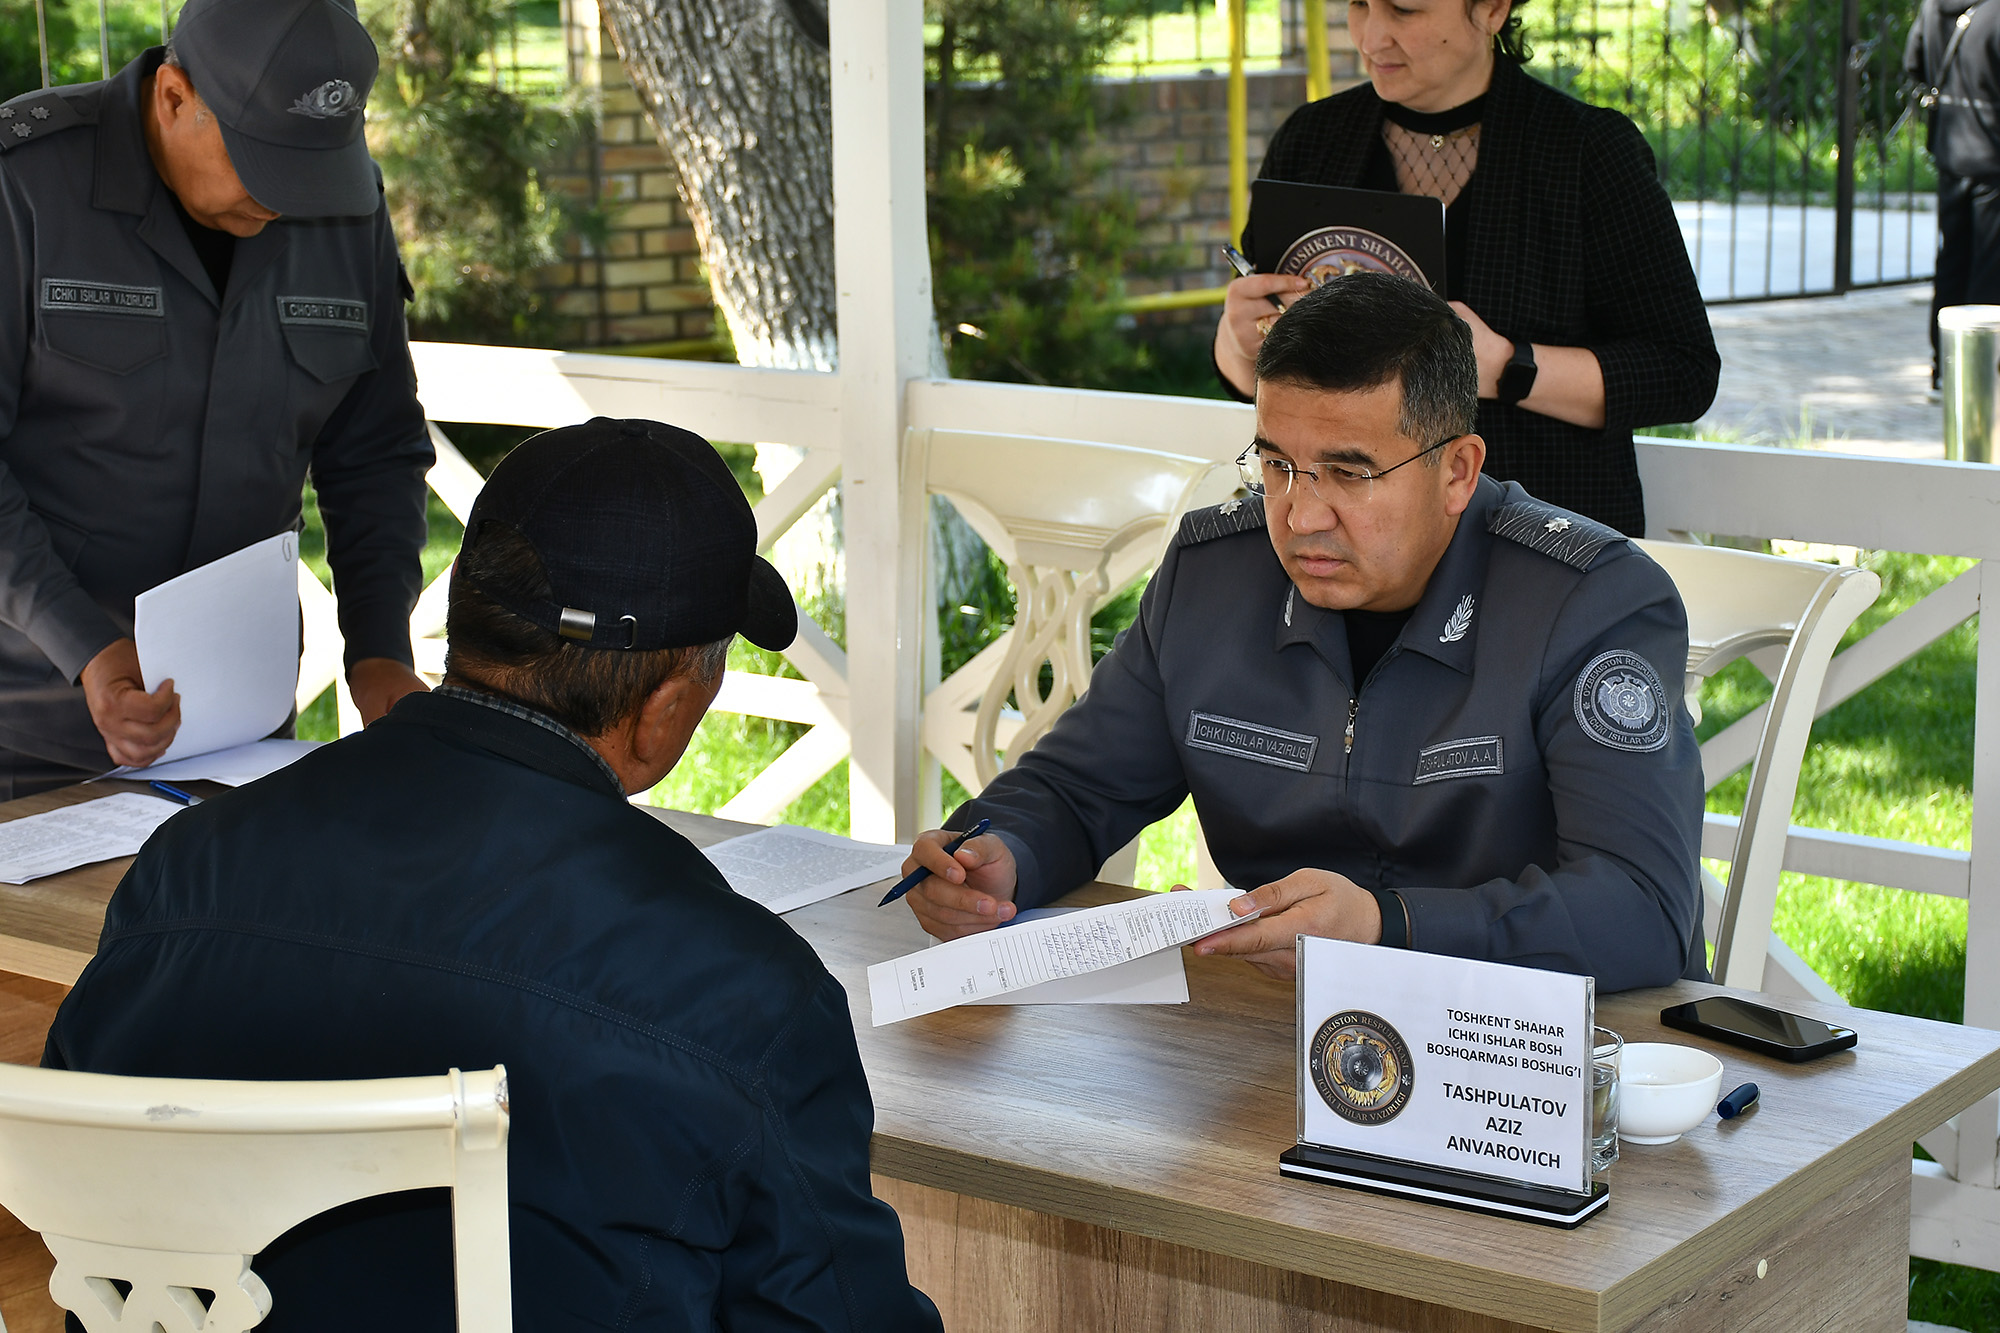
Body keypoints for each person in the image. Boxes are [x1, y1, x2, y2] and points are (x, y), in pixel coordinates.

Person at [45, 417, 944, 1332]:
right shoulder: (744, 991)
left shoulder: (184, 869)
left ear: (467, 610)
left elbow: (83, 1171)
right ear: (667, 708)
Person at [909, 274, 1707, 994]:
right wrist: (996, 852)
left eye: (1350, 472)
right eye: (1277, 463)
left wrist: (1385, 930)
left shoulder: (1590, 601)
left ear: (1459, 471)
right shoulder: (1212, 574)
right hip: (1263, 1040)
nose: (1299, 513)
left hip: (1532, 1070)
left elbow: (1644, 909)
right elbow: (1078, 787)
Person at [0, 0, 433, 794]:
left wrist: (379, 649)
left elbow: (374, 451)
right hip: (24, 733)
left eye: (308, 173)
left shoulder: (343, 205)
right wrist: (84, 647)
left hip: (242, 737)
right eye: (263, 164)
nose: (285, 205)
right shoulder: (21, 188)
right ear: (173, 96)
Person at [1213, 0, 1718, 537]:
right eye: (1358, 4)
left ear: (1494, 9)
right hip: (1342, 541)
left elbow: (1682, 373)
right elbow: (1254, 376)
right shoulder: (1313, 140)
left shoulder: (1587, 152)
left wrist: (1506, 367)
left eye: (1405, 10)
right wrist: (1241, 342)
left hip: (1544, 544)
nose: (1372, 35)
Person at [1907, 0, 2000, 389]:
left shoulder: (1933, 6)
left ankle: (1944, 365)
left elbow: (1913, 66)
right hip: (1993, 154)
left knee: (1952, 259)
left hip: (1951, 149)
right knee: (1988, 266)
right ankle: (1977, 371)